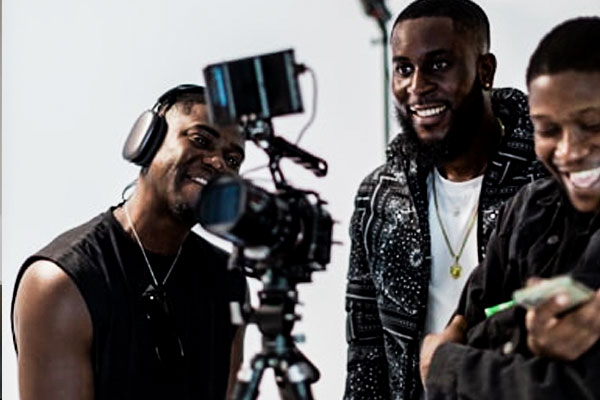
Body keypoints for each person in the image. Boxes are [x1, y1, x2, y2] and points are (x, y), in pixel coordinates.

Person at [344, 0, 548, 398]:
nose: (417, 86)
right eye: (404, 68)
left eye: (439, 64)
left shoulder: (546, 179)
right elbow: (366, 355)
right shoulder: (379, 196)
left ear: (484, 71)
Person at [11, 84, 247, 400]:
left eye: (233, 160)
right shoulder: (62, 282)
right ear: (147, 141)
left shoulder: (228, 279)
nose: (218, 163)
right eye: (200, 140)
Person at [420, 16, 600, 399]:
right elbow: (466, 325)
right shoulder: (527, 209)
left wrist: (447, 366)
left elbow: (572, 388)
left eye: (593, 125)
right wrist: (517, 335)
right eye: (548, 130)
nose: (568, 151)